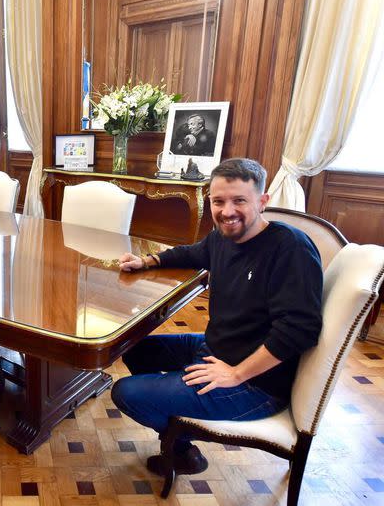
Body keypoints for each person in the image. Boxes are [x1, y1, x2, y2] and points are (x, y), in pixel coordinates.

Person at [111, 158, 322, 476]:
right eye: (218, 201)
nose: (227, 211)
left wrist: (237, 374)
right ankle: (180, 430)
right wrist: (148, 260)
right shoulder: (224, 236)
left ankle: (178, 443)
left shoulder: (290, 249)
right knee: (132, 347)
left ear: (262, 202)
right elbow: (193, 252)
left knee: (125, 393)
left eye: (240, 200)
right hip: (216, 348)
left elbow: (300, 329)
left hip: (256, 384)